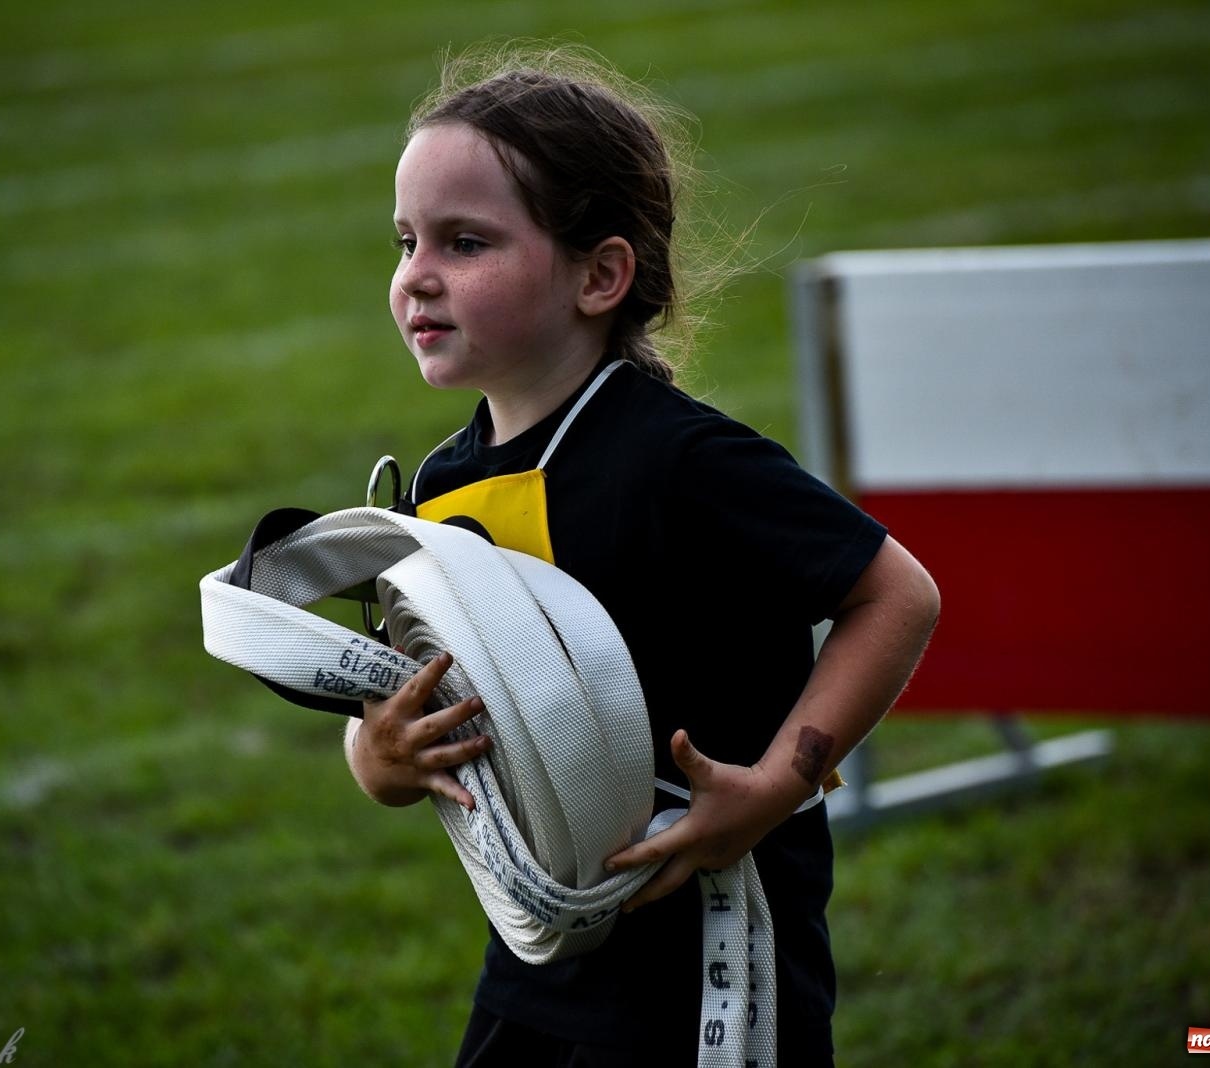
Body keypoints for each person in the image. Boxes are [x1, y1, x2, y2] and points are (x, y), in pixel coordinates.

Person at [342, 44, 940, 1068]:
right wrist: (377, 757)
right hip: (540, 960)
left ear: (599, 274)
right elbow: (422, 713)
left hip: (717, 961)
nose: (418, 277)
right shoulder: (439, 488)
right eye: (406, 242)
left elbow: (896, 595)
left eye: (466, 242)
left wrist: (774, 785)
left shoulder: (678, 458)